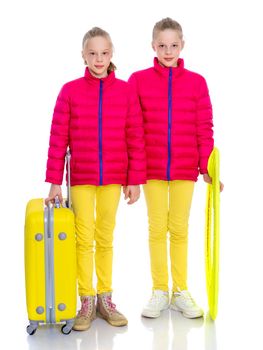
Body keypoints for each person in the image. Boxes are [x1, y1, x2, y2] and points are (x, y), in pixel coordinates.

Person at [45, 27, 146, 331]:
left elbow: (135, 136)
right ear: (83, 55)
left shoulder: (126, 90)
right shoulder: (70, 91)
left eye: (104, 53)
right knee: (83, 239)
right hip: (81, 179)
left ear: (111, 54)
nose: (98, 59)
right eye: (92, 53)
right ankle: (86, 300)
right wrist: (54, 181)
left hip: (113, 179)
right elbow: (57, 138)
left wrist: (134, 179)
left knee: (105, 238)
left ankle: (105, 298)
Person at [128, 17, 223, 319]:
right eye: (162, 45)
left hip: (184, 169)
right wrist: (132, 170)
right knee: (157, 229)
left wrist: (207, 167)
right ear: (152, 46)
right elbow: (131, 127)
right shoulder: (138, 80)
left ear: (182, 45)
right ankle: (159, 290)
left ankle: (180, 290)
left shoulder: (197, 82)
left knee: (179, 230)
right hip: (151, 169)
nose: (168, 51)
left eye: (173, 45)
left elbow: (203, 127)